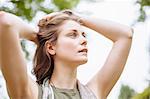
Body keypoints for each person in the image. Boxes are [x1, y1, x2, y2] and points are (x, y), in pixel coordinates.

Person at [0, 10, 133, 99]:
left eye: (83, 34)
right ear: (51, 47)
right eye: (73, 34)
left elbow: (125, 34)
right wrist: (39, 38)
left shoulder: (91, 94)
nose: (84, 40)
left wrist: (75, 16)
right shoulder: (33, 93)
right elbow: (5, 22)